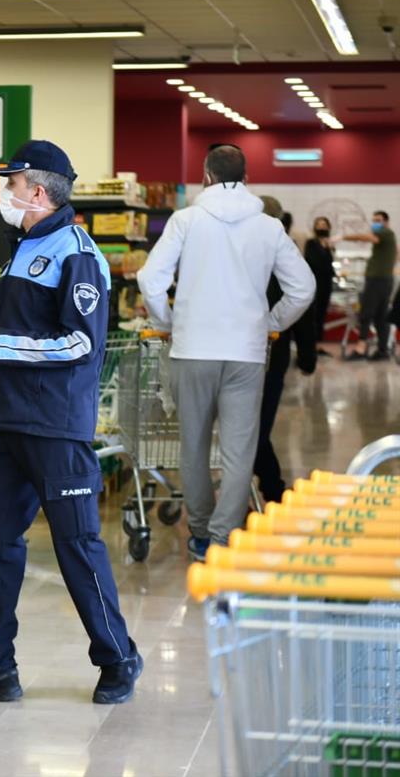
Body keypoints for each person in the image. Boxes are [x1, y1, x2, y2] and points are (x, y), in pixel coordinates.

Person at [0, 140, 141, 705]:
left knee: (77, 544)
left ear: (39, 190)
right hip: (6, 423)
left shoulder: (79, 254)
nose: (5, 192)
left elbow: (79, 343)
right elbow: (26, 336)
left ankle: (119, 658)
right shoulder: (21, 248)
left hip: (55, 426)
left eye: (13, 182)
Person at [138, 146, 314, 562]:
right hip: (246, 354)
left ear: (206, 176)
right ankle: (223, 537)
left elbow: (151, 280)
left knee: (193, 446)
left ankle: (199, 534)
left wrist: (168, 322)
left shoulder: (185, 220)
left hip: (192, 351)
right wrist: (270, 323)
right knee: (239, 450)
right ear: (246, 177)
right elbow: (303, 289)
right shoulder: (268, 227)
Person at [252, 202, 316, 504]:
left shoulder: (239, 247)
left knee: (253, 427)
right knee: (257, 427)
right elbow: (303, 301)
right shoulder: (284, 250)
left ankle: (269, 488)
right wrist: (305, 356)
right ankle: (271, 490)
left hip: (241, 348)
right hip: (270, 350)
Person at [342, 211, 396, 361]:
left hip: (378, 280)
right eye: (373, 221)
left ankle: (360, 349)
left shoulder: (385, 232)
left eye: (378, 220)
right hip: (383, 280)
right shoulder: (388, 236)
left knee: (366, 313)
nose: (375, 223)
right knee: (381, 316)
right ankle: (383, 350)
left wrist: (343, 237)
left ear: (386, 222)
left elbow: (366, 237)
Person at [303, 215, 336, 349]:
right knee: (314, 312)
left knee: (322, 312)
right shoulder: (311, 243)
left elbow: (331, 262)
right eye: (319, 225)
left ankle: (318, 343)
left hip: (326, 283)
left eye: (324, 225)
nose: (321, 227)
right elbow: (312, 261)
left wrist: (329, 247)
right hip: (315, 282)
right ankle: (310, 344)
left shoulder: (330, 244)